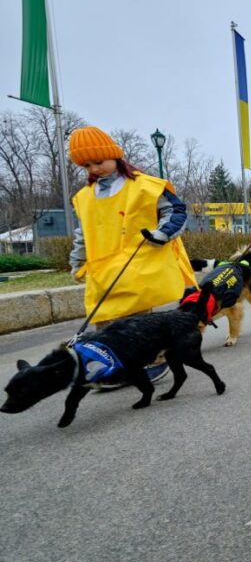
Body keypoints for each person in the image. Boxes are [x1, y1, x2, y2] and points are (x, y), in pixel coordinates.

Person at [67, 126, 197, 383]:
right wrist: (77, 261)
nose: (94, 169)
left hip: (139, 267)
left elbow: (176, 212)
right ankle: (117, 367)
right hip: (103, 271)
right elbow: (83, 233)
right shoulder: (83, 197)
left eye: (99, 161)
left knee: (140, 326)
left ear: (115, 156)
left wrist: (163, 233)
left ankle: (153, 362)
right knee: (106, 327)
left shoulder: (145, 186)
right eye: (87, 165)